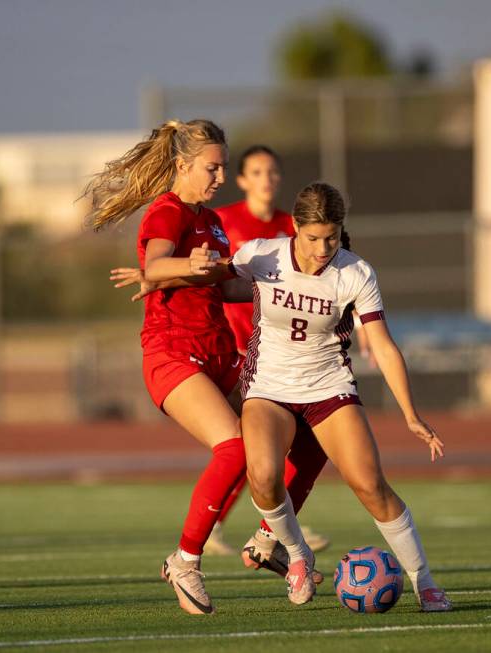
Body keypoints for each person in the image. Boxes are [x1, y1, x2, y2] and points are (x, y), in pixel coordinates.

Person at [87, 119, 324, 615]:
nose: (219, 176)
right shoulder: (167, 210)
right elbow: (155, 264)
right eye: (211, 168)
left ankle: (268, 539)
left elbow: (227, 287)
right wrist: (180, 268)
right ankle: (185, 560)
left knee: (308, 433)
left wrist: (294, 287)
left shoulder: (211, 221)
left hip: (220, 352)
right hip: (173, 354)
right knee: (235, 447)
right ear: (182, 165)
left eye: (222, 167)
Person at [185, 181, 452, 611]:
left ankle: (426, 583)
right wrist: (159, 274)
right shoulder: (261, 253)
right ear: (294, 227)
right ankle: (297, 557)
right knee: (264, 475)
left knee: (370, 485)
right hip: (269, 388)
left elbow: (382, 345)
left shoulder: (356, 273)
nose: (322, 247)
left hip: (329, 389)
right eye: (312, 238)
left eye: (331, 237)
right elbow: (211, 285)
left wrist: (410, 413)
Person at [204, 145, 330, 556]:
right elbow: (217, 281)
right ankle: (254, 526)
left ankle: (275, 525)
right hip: (238, 350)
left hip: (280, 354)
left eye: (273, 171)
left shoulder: (290, 227)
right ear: (242, 180)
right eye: (257, 171)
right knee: (248, 444)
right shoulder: (224, 221)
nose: (267, 178)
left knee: (287, 443)